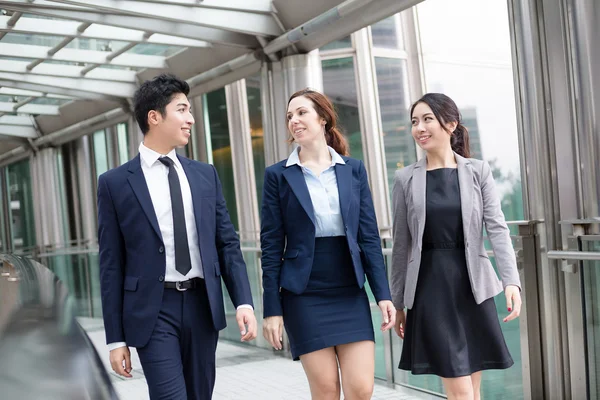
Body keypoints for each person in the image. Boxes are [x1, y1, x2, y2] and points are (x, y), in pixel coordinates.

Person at [97, 73, 257, 400]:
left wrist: (243, 300)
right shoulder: (114, 183)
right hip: (152, 311)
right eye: (182, 110)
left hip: (202, 304)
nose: (191, 119)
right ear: (154, 117)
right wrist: (115, 340)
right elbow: (110, 264)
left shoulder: (205, 175)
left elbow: (226, 242)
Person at [260, 88, 396, 399]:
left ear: (323, 118)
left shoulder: (353, 169)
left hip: (349, 289)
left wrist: (383, 295)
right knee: (326, 390)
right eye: (289, 116)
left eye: (302, 113)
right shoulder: (277, 176)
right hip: (303, 293)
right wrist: (272, 309)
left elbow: (368, 236)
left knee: (361, 389)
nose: (294, 120)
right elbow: (270, 247)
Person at [390, 93, 522, 400]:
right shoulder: (405, 178)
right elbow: (401, 246)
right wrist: (398, 302)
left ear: (450, 124)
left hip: (473, 287)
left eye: (427, 119)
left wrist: (511, 281)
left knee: (473, 389)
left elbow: (498, 228)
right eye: (414, 121)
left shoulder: (478, 171)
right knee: (461, 391)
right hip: (431, 289)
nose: (419, 128)